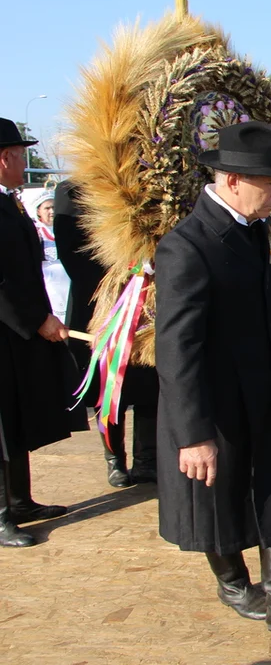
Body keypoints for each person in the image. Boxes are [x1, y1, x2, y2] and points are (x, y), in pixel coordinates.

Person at [154, 121, 271, 638]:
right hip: (215, 399)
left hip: (266, 387)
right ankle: (233, 582)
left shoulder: (255, 232)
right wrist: (193, 434)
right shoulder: (187, 245)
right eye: (269, 182)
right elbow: (177, 346)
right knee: (219, 498)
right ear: (231, 180)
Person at [53, 180, 159, 488]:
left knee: (150, 379)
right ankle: (115, 460)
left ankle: (147, 459)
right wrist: (116, 276)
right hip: (103, 302)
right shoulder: (72, 190)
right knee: (111, 386)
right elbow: (73, 251)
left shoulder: (146, 183)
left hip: (146, 296)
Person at [0, 117, 73, 548]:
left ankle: (20, 499)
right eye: (21, 155)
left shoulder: (9, 203)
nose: (24, 162)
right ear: (5, 157)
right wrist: (35, 318)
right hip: (8, 326)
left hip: (17, 333)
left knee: (16, 415)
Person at [17, 187, 70, 321]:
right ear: (38, 211)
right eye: (47, 208)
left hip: (66, 282)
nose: (52, 211)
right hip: (48, 284)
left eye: (54, 207)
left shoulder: (64, 230)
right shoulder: (35, 233)